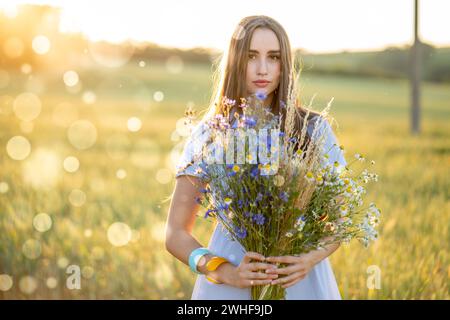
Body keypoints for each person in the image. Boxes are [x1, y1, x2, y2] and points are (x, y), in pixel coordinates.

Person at [165, 15, 346, 300]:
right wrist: (224, 271)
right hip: (230, 287)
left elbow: (340, 218)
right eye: (251, 56)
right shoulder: (210, 134)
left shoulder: (313, 129)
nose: (263, 69)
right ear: (236, 60)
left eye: (273, 57)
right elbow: (175, 234)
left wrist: (309, 259)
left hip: (302, 283)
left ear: (284, 63)